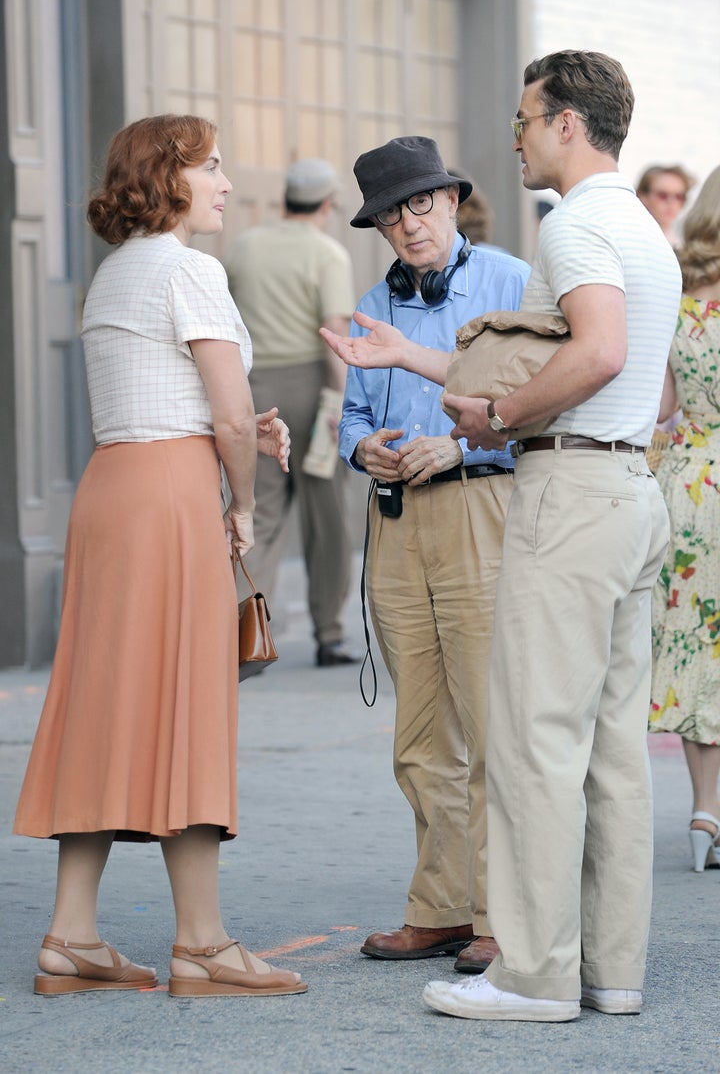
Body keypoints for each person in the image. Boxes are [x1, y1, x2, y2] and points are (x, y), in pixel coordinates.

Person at [323, 52, 682, 1021]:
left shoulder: (573, 228)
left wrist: (500, 414)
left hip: (569, 492)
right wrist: (414, 358)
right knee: (609, 749)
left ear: (567, 123)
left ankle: (532, 974)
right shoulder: (644, 230)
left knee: (532, 743)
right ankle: (609, 969)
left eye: (525, 118)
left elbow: (599, 352)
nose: (515, 136)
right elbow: (650, 387)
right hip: (625, 486)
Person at [13, 114, 307, 1000]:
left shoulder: (113, 274)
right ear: (169, 178)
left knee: (100, 704)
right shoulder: (192, 268)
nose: (224, 181)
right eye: (210, 167)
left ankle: (71, 935)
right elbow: (223, 414)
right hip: (173, 497)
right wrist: (246, 502)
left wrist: (235, 433)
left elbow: (166, 397)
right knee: (190, 701)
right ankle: (203, 943)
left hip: (112, 490)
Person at [333, 135, 529, 971]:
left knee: (491, 725)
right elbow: (346, 419)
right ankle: (441, 905)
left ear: (452, 201)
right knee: (419, 733)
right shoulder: (371, 303)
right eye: (390, 215)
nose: (408, 225)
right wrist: (364, 451)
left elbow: (539, 410)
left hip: (483, 509)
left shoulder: (511, 281)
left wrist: (465, 446)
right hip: (397, 523)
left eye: (420, 205)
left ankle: (502, 913)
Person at [225, 159, 358, 668]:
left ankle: (243, 636)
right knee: (327, 516)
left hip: (254, 389)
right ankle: (329, 634)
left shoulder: (243, 247)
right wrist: (342, 402)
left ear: (286, 200)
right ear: (327, 204)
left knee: (258, 511)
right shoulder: (328, 253)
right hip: (312, 386)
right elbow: (332, 335)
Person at [649, 165, 720, 873]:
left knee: (698, 643)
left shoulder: (681, 300)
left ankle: (706, 807)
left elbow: (663, 406)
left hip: (691, 484)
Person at [636, 163, 696, 246]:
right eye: (663, 195)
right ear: (642, 196)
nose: (671, 202)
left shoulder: (685, 244)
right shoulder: (631, 237)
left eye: (679, 197)